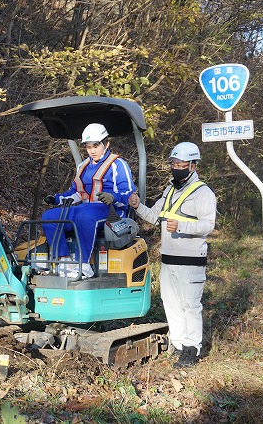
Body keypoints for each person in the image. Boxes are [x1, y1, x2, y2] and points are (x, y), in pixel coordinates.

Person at [128, 141, 216, 368]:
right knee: (171, 304)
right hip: (168, 259)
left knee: (190, 305)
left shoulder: (203, 192)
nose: (176, 167)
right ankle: (177, 345)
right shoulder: (169, 190)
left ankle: (192, 349)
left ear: (193, 166)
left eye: (181, 164)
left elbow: (208, 225)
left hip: (191, 261)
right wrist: (138, 206)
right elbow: (153, 216)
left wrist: (182, 227)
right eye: (174, 163)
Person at [42, 123, 136, 279]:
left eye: (96, 146)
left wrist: (113, 197)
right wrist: (58, 198)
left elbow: (129, 193)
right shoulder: (83, 166)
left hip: (112, 211)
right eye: (88, 146)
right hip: (85, 208)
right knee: (48, 217)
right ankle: (64, 262)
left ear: (106, 143)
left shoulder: (118, 165)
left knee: (86, 214)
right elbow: (76, 192)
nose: (92, 151)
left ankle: (83, 265)